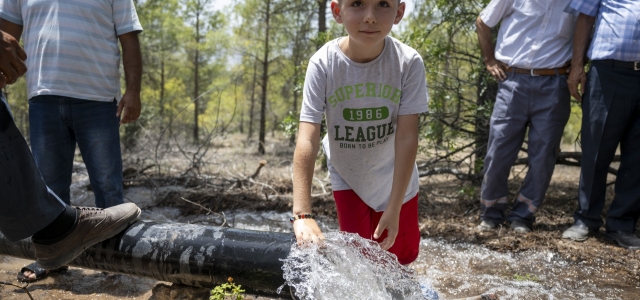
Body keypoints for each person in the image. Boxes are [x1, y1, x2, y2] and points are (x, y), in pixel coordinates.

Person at [0, 0, 143, 281]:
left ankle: (113, 260)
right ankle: (51, 258)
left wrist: (134, 91)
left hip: (99, 99)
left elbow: (129, 38)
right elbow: (6, 36)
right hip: (43, 97)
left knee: (107, 184)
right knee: (48, 184)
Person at [291, 0, 428, 266]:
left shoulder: (408, 63)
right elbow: (307, 138)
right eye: (357, 4)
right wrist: (302, 215)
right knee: (358, 261)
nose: (370, 17)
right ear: (337, 11)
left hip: (396, 180)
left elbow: (407, 136)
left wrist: (395, 205)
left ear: (399, 12)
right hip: (349, 177)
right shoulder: (323, 64)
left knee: (401, 259)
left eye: (383, 5)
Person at [474, 0, 576, 233]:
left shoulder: (577, 2)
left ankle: (523, 215)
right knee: (498, 151)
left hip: (555, 83)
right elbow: (483, 22)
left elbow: (586, 32)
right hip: (512, 81)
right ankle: (490, 213)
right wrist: (489, 60)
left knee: (543, 155)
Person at [561, 0, 640, 249]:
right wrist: (576, 67)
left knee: (638, 156)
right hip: (608, 73)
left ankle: (622, 224)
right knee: (596, 149)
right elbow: (585, 17)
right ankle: (585, 219)